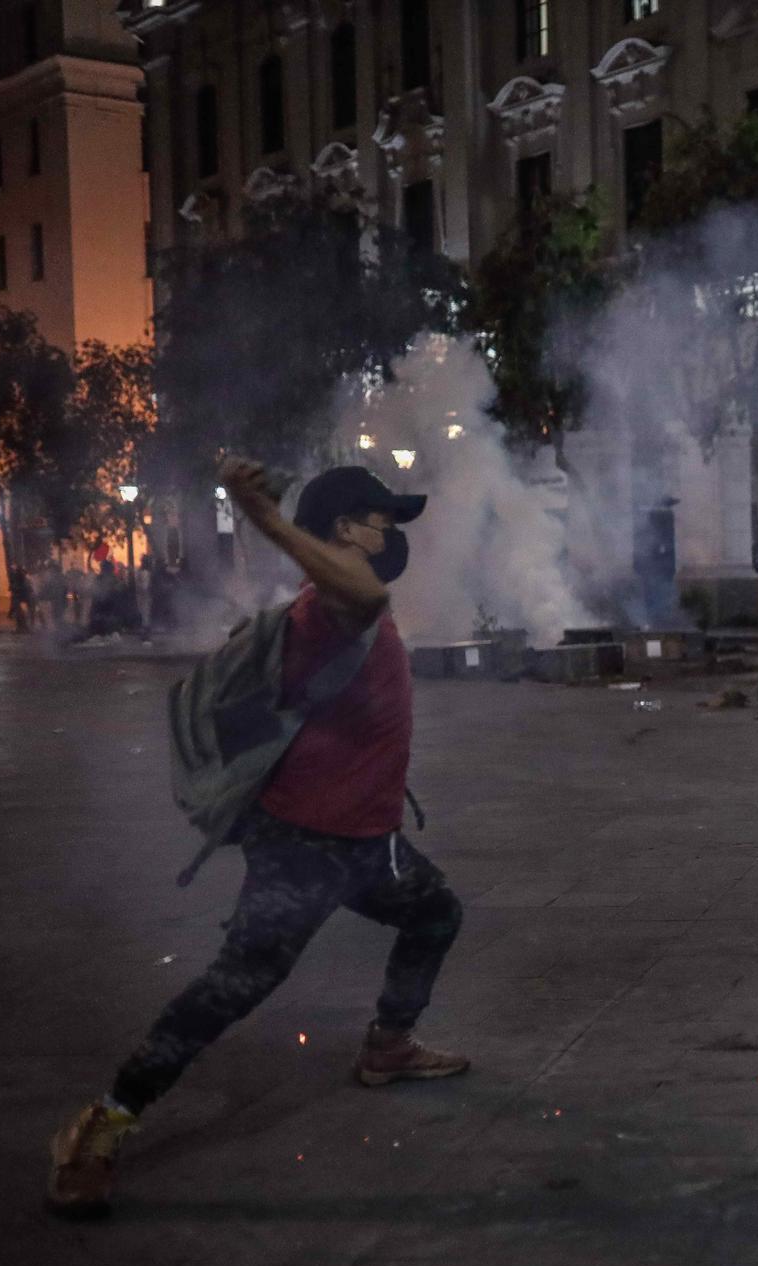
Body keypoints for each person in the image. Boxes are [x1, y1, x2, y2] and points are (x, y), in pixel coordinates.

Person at [48, 461, 468, 1217]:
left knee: (435, 911)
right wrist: (268, 519)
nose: (391, 533)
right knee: (234, 986)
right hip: (305, 847)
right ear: (344, 529)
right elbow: (368, 591)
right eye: (382, 519)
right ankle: (104, 1122)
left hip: (371, 842)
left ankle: (389, 1044)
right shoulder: (334, 609)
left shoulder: (336, 602)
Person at [9, 565, 34, 633]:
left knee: (20, 614)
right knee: (21, 614)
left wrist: (13, 588)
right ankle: (22, 628)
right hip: (22, 598)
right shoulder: (23, 578)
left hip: (20, 598)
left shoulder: (19, 578)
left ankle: (22, 628)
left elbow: (16, 587)